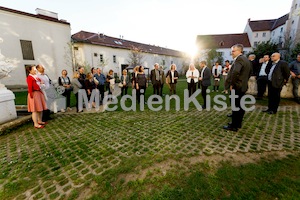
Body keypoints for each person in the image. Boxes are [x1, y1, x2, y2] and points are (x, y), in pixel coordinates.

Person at [223, 44, 251, 132]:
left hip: (237, 87)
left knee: (236, 106)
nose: (231, 53)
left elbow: (235, 72)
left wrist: (232, 84)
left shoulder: (239, 59)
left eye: (233, 51)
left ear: (239, 51)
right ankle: (238, 123)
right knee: (240, 106)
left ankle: (234, 126)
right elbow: (250, 72)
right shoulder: (246, 60)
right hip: (242, 86)